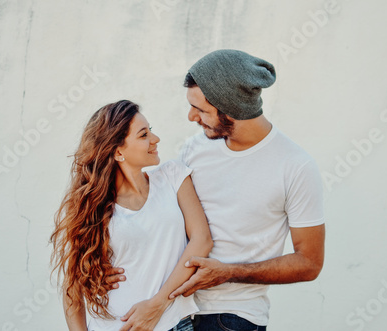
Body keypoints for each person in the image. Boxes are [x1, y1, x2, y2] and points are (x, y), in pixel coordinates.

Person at [107, 49, 326, 330]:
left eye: (199, 109)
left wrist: (229, 273)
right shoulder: (194, 149)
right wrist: (108, 265)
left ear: (230, 107)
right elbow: (157, 214)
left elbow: (309, 263)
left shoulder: (295, 166)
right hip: (170, 311)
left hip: (231, 316)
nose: (190, 117)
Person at [49, 100, 213, 331]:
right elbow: (72, 288)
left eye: (151, 130)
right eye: (144, 135)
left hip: (175, 322)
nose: (155, 139)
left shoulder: (173, 176)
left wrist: (157, 304)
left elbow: (202, 240)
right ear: (118, 151)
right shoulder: (93, 208)